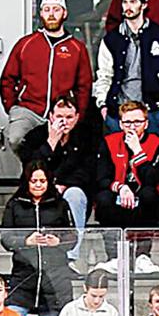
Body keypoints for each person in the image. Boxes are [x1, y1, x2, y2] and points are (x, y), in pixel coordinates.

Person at [0, 0, 92, 160]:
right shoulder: (26, 44)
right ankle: (33, 174)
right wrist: (13, 108)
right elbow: (8, 79)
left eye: (56, 9)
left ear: (64, 13)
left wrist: (78, 112)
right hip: (29, 109)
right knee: (16, 139)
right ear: (40, 13)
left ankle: (52, 180)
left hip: (62, 111)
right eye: (46, 10)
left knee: (69, 148)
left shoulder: (76, 48)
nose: (51, 14)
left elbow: (84, 85)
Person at [18, 96, 99, 271]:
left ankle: (71, 257)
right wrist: (51, 142)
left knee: (74, 195)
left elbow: (88, 169)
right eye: (60, 116)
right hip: (40, 189)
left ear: (77, 117)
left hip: (72, 189)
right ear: (51, 116)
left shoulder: (86, 136)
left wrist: (64, 184)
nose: (64, 121)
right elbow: (30, 168)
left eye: (69, 117)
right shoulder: (36, 136)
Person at [93, 0, 159, 137]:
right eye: (125, 2)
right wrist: (103, 106)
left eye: (133, 1)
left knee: (155, 159)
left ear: (144, 4)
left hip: (154, 111)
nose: (128, 6)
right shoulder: (111, 39)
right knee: (119, 159)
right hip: (119, 112)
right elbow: (104, 76)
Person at [0, 163, 75, 316]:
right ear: (27, 182)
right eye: (34, 181)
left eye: (43, 181)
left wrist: (58, 241)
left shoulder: (60, 204)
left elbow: (72, 236)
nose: (38, 185)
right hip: (24, 277)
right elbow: (6, 238)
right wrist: (27, 241)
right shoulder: (15, 204)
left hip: (55, 278)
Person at [95, 100, 159, 272]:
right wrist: (121, 187)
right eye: (127, 122)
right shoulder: (109, 142)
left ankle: (142, 256)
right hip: (118, 197)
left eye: (137, 122)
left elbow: (153, 178)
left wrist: (138, 151)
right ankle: (114, 257)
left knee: (149, 194)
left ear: (146, 123)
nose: (132, 127)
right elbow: (101, 178)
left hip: (145, 199)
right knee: (103, 197)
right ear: (120, 124)